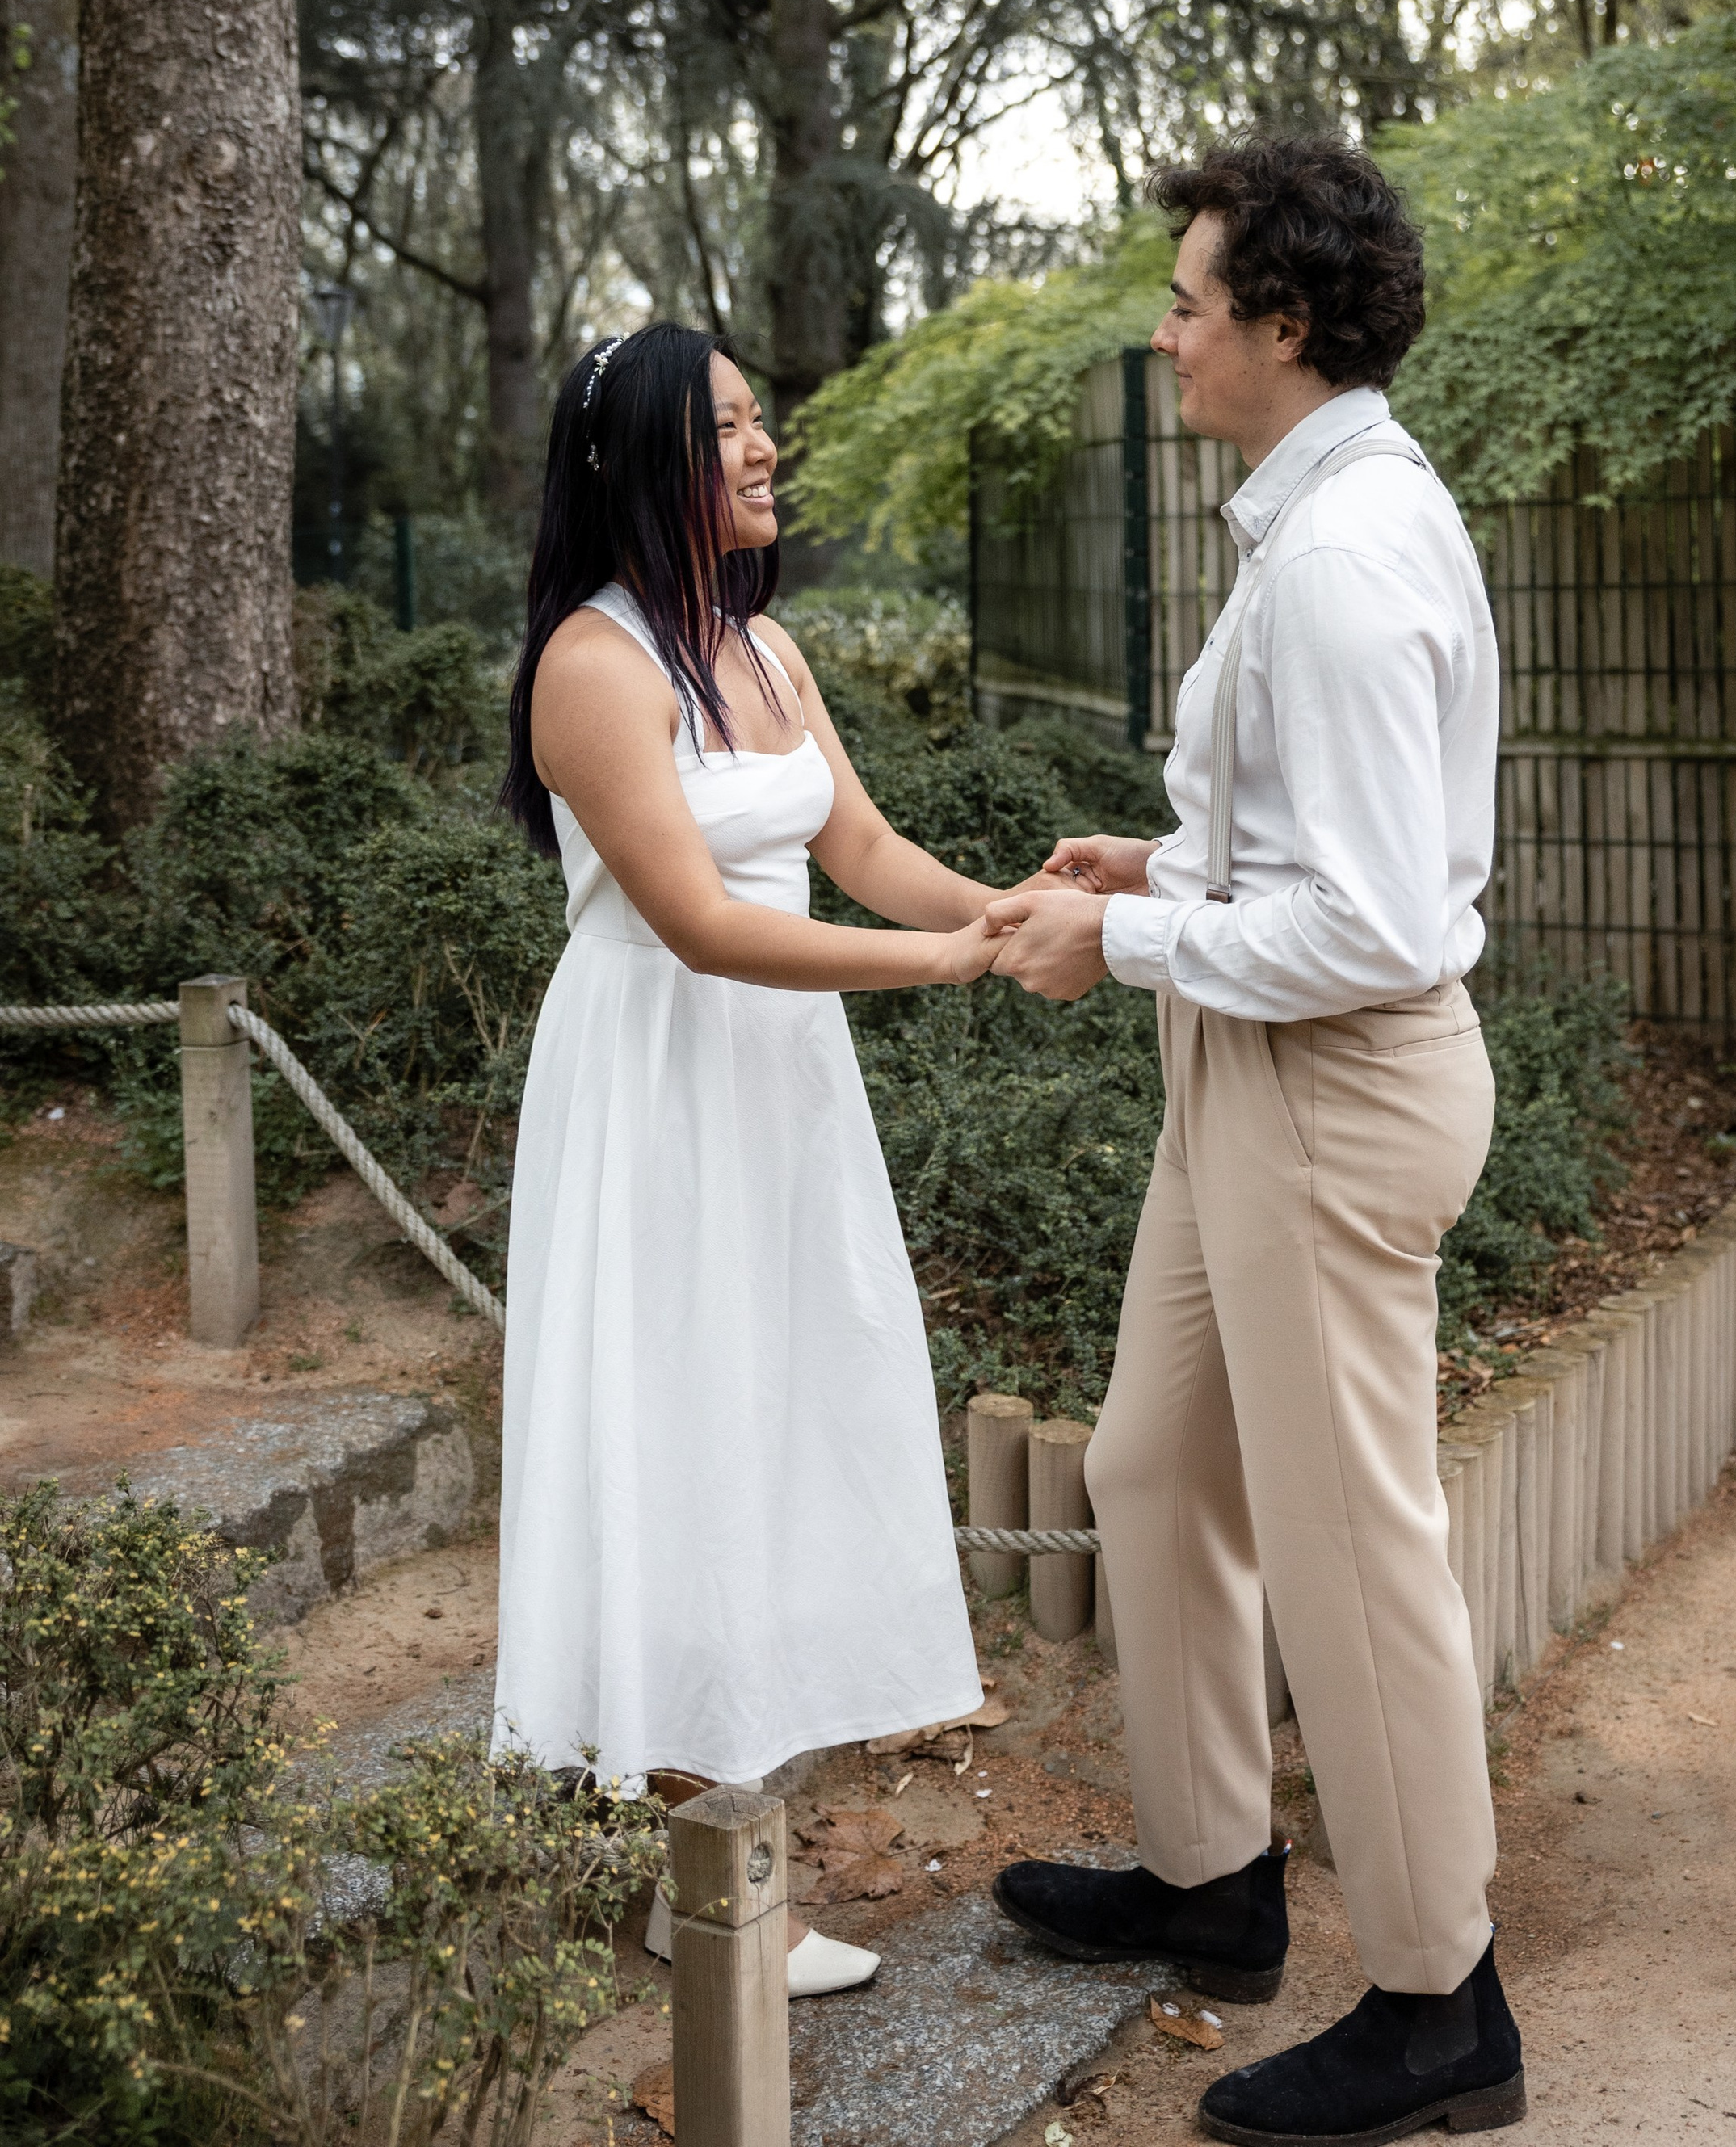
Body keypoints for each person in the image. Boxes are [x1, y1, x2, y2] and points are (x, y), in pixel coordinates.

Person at [982, 140, 1525, 2141]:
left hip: (1330, 1088)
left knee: (1346, 1549)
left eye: (1191, 302)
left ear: (1282, 326)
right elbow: (1317, 851)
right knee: (1149, 1463)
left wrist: (1114, 934)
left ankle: (1438, 1999)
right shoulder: (1308, 520)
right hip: (1247, 1071)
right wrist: (1168, 862)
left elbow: (1381, 921)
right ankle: (1213, 1882)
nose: (1166, 330)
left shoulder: (1344, 554)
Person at [493, 323, 1003, 2001]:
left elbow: (854, 849)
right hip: (658, 1085)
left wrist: (1020, 918)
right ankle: (697, 1871)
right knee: (679, 1423)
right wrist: (938, 975)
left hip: (781, 1081)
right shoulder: (595, 665)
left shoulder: (766, 651)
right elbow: (704, 926)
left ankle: (735, 1831)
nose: (763, 445)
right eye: (725, 427)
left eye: (757, 419)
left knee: (786, 1415)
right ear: (643, 462)